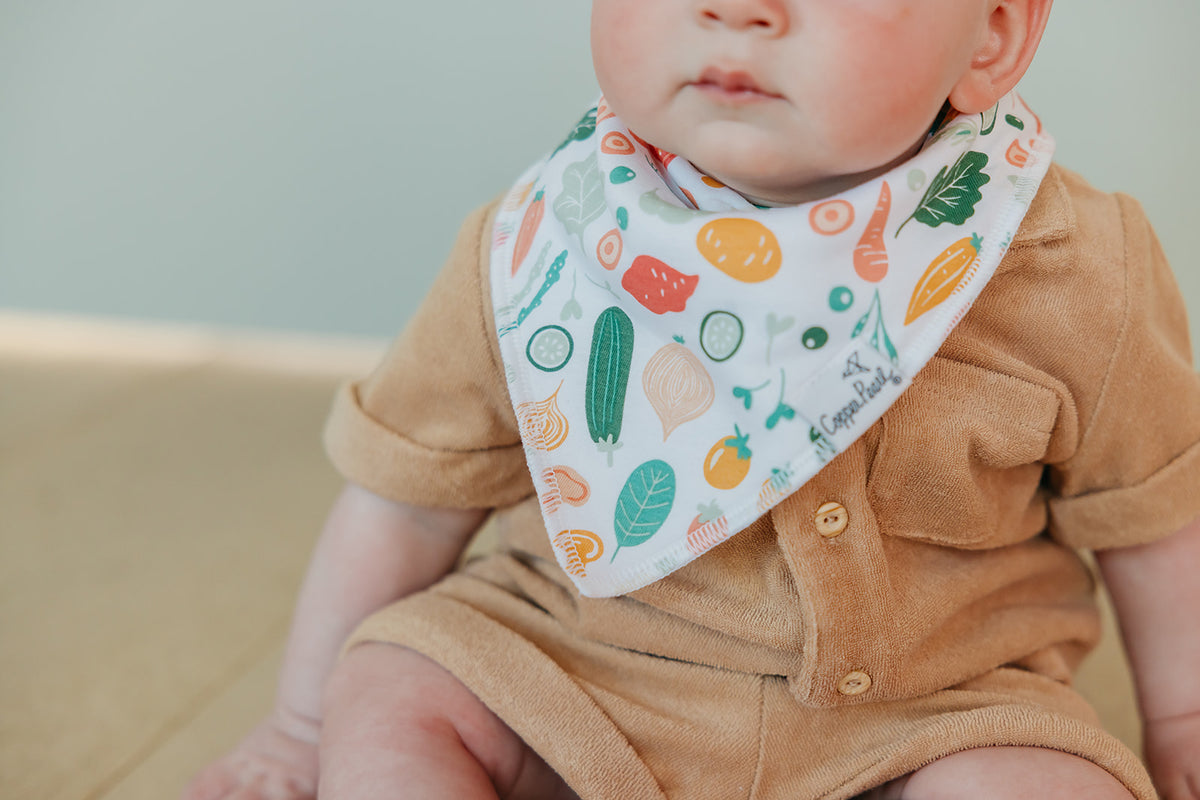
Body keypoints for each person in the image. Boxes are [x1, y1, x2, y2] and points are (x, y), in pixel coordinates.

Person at [184, 1, 1200, 798]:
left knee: (1048, 781)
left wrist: (1183, 719)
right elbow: (404, 498)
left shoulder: (1075, 267)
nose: (735, 8)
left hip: (928, 715)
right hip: (576, 672)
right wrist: (299, 730)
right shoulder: (541, 242)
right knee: (397, 689)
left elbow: (1153, 515)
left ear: (994, 34)